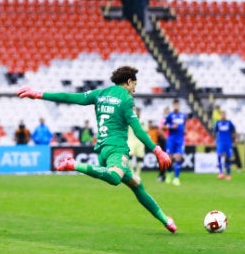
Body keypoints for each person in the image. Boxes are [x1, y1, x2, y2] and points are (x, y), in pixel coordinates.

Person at [17, 66, 177, 233]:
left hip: (102, 151)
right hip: (117, 150)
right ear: (129, 82)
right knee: (115, 178)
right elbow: (138, 130)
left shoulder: (100, 93)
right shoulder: (127, 100)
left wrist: (38, 94)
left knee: (136, 184)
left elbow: (69, 97)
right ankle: (75, 165)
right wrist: (157, 150)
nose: (135, 90)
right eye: (134, 85)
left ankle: (166, 220)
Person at [163, 99, 188, 186]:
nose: (176, 106)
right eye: (175, 105)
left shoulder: (183, 116)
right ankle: (169, 174)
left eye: (178, 105)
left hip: (180, 140)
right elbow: (164, 127)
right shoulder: (170, 116)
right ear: (173, 105)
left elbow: (185, 126)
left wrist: (185, 130)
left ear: (179, 105)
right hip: (171, 139)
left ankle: (176, 178)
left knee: (178, 158)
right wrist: (171, 126)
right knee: (169, 159)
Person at [214, 110, 236, 180]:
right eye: (222, 115)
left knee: (228, 158)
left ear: (225, 115)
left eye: (224, 115)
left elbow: (233, 130)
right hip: (220, 142)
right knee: (219, 155)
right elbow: (215, 131)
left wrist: (234, 139)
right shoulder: (218, 123)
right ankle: (221, 173)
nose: (223, 116)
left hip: (228, 142)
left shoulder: (229, 123)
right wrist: (214, 140)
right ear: (220, 115)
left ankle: (228, 174)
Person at [126, 107, 147, 177]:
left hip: (140, 142)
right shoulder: (130, 120)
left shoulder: (143, 121)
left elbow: (146, 132)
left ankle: (137, 174)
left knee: (140, 158)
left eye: (139, 111)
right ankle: (132, 172)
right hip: (131, 140)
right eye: (136, 111)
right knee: (129, 156)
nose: (138, 112)